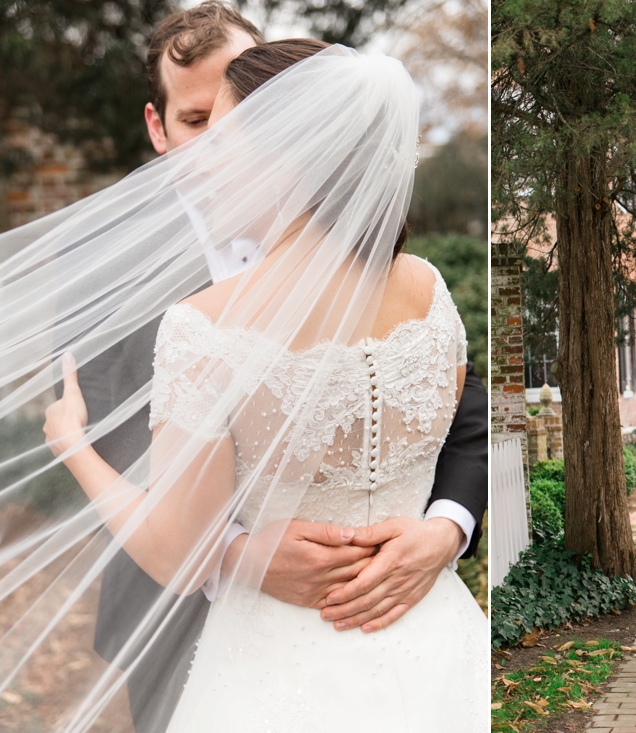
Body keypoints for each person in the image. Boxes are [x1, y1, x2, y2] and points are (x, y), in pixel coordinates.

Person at [3, 39, 487, 732]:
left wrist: (69, 443)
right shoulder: (429, 288)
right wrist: (241, 554)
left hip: (275, 669)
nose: (204, 161)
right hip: (434, 646)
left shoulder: (205, 327)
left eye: (224, 139)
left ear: (284, 153)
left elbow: (174, 549)